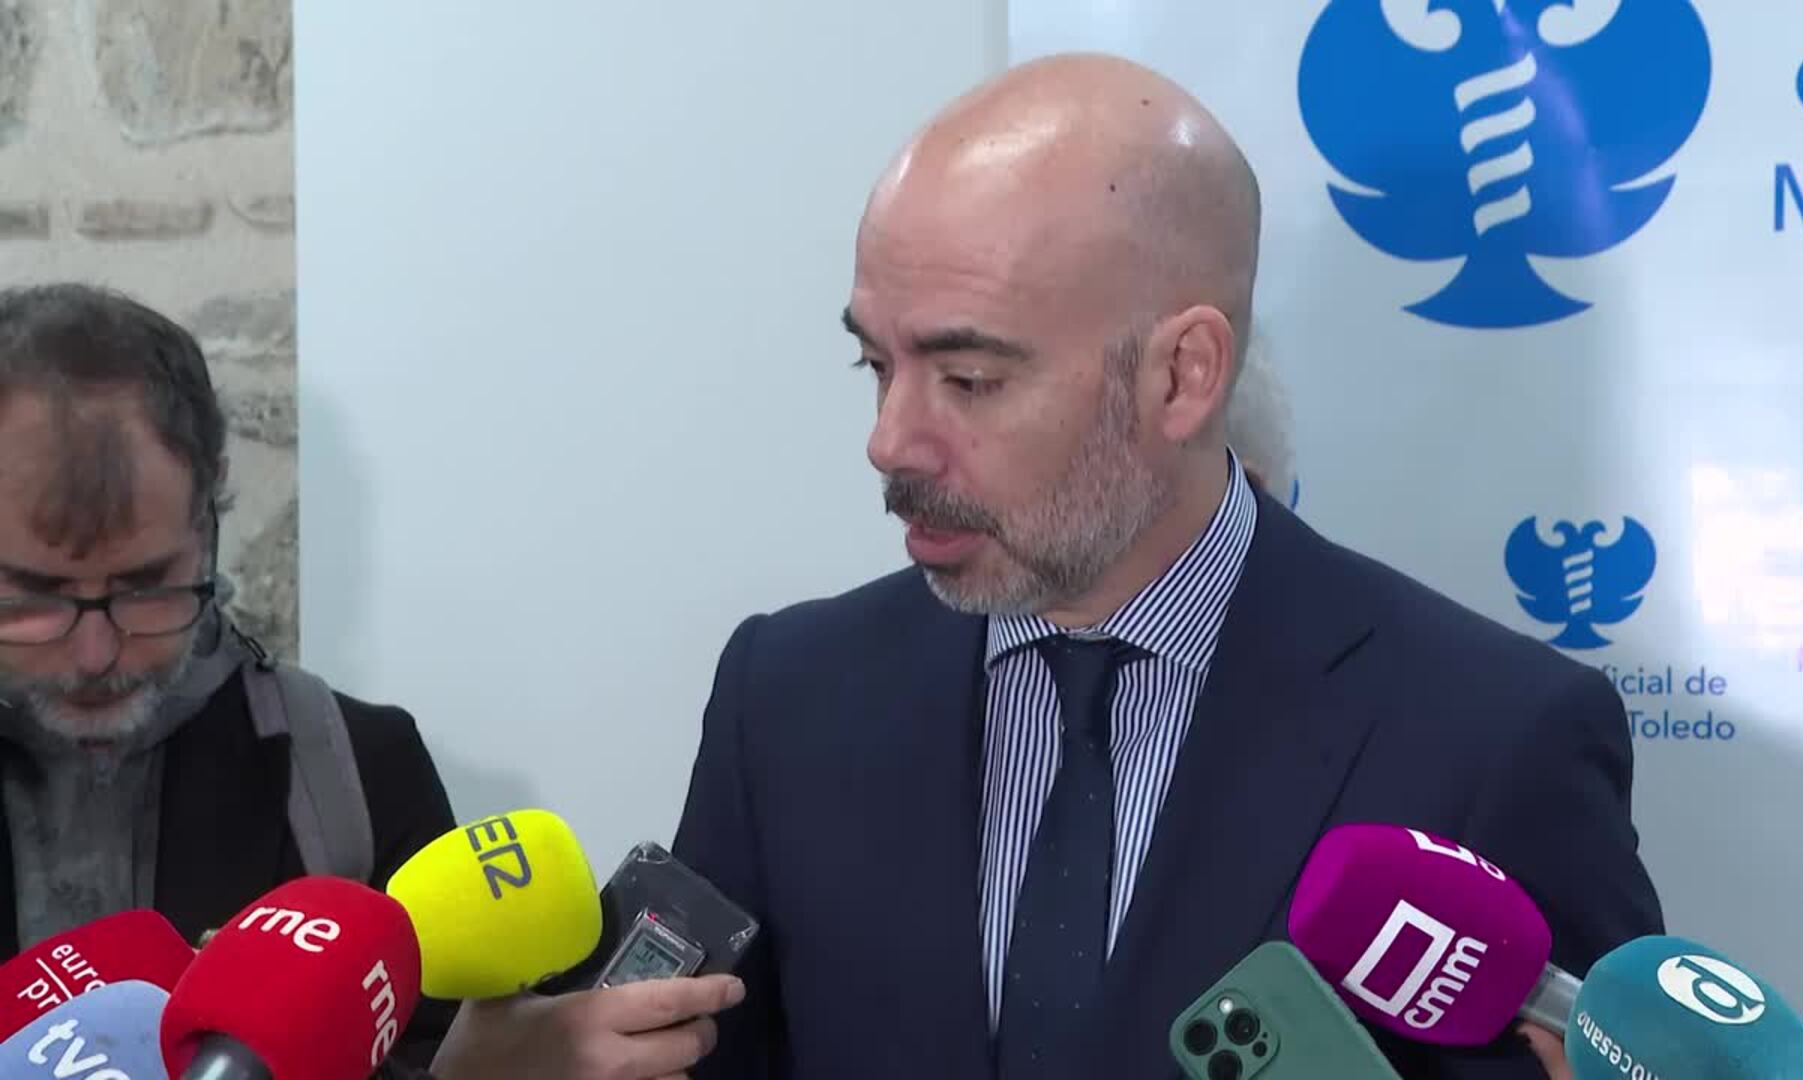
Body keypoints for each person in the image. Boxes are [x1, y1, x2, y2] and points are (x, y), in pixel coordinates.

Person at [433, 52, 1661, 1079]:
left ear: (1181, 375)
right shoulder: (788, 698)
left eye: (970, 379)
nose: (891, 441)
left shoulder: (1494, 738)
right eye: (877, 365)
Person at [0, 284, 458, 1071]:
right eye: (36, 596)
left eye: (146, 585)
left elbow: (438, 1047)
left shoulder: (358, 772)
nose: (96, 653)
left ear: (207, 511)